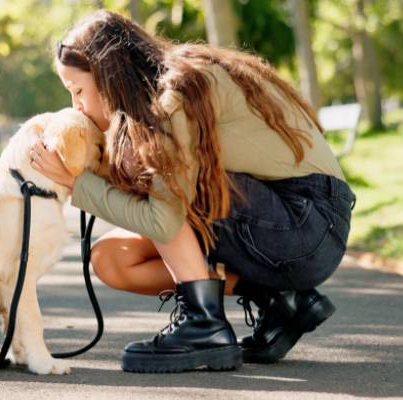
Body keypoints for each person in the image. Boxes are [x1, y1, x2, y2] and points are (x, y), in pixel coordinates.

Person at [29, 10, 355, 373]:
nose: (76, 105)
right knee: (112, 258)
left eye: (78, 91)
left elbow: (164, 221)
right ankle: (282, 300)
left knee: (160, 183)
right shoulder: (160, 96)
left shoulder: (174, 97)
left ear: (108, 74)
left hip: (307, 224)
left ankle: (204, 326)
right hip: (292, 224)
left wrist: (77, 185)